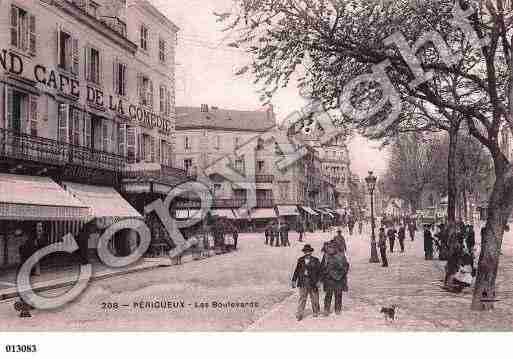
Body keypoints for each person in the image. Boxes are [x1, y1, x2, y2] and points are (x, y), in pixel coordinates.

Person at [291, 244, 322, 321]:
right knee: (302, 298)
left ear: (311, 252)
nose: (307, 253)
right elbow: (296, 271)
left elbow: (320, 272)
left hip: (313, 282)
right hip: (303, 281)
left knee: (315, 298)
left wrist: (319, 281)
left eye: (309, 252)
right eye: (306, 252)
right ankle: (300, 314)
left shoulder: (316, 260)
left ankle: (315, 311)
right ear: (304, 252)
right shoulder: (300, 260)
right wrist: (294, 280)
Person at [321, 242, 350, 316]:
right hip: (329, 279)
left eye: (332, 248)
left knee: (338, 294)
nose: (330, 249)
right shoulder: (326, 256)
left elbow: (346, 265)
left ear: (335, 248)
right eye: (329, 248)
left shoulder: (341, 256)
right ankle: (326, 309)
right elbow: (322, 267)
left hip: (339, 279)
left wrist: (342, 272)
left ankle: (338, 309)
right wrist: (324, 273)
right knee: (328, 294)